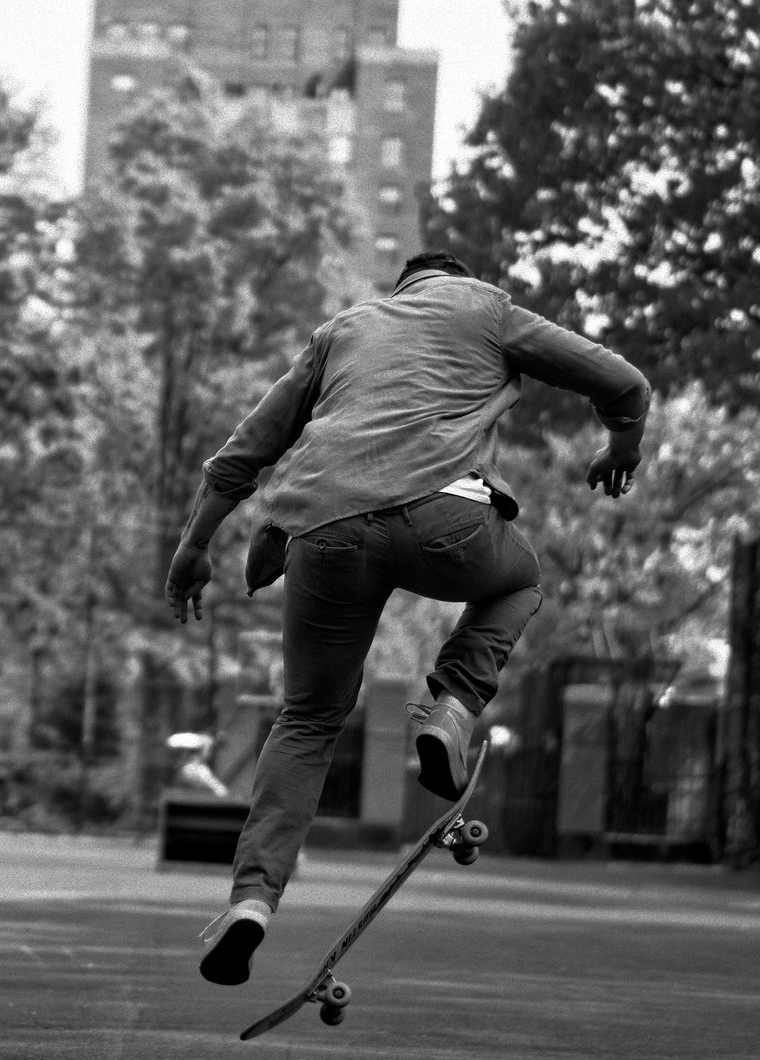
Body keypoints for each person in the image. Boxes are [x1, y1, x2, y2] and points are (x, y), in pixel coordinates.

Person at [167, 249, 650, 986]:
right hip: (445, 523)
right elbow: (623, 382)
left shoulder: (343, 331)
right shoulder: (485, 308)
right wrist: (622, 445)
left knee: (306, 720)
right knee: (520, 581)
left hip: (322, 533)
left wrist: (195, 546)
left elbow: (244, 453)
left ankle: (252, 901)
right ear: (455, 280)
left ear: (403, 290)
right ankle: (452, 706)